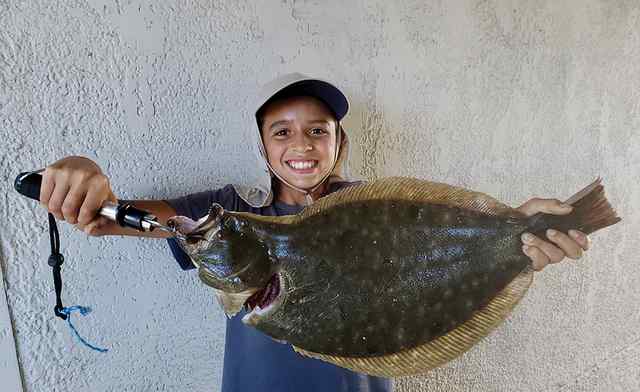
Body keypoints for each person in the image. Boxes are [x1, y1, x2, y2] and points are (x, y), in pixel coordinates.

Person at [38, 73, 591, 392]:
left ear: (338, 143)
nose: (300, 146)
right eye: (282, 132)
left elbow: (451, 246)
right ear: (263, 147)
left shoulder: (375, 210)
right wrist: (82, 171)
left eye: (317, 131)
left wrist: (519, 236)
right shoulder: (226, 214)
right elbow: (107, 217)